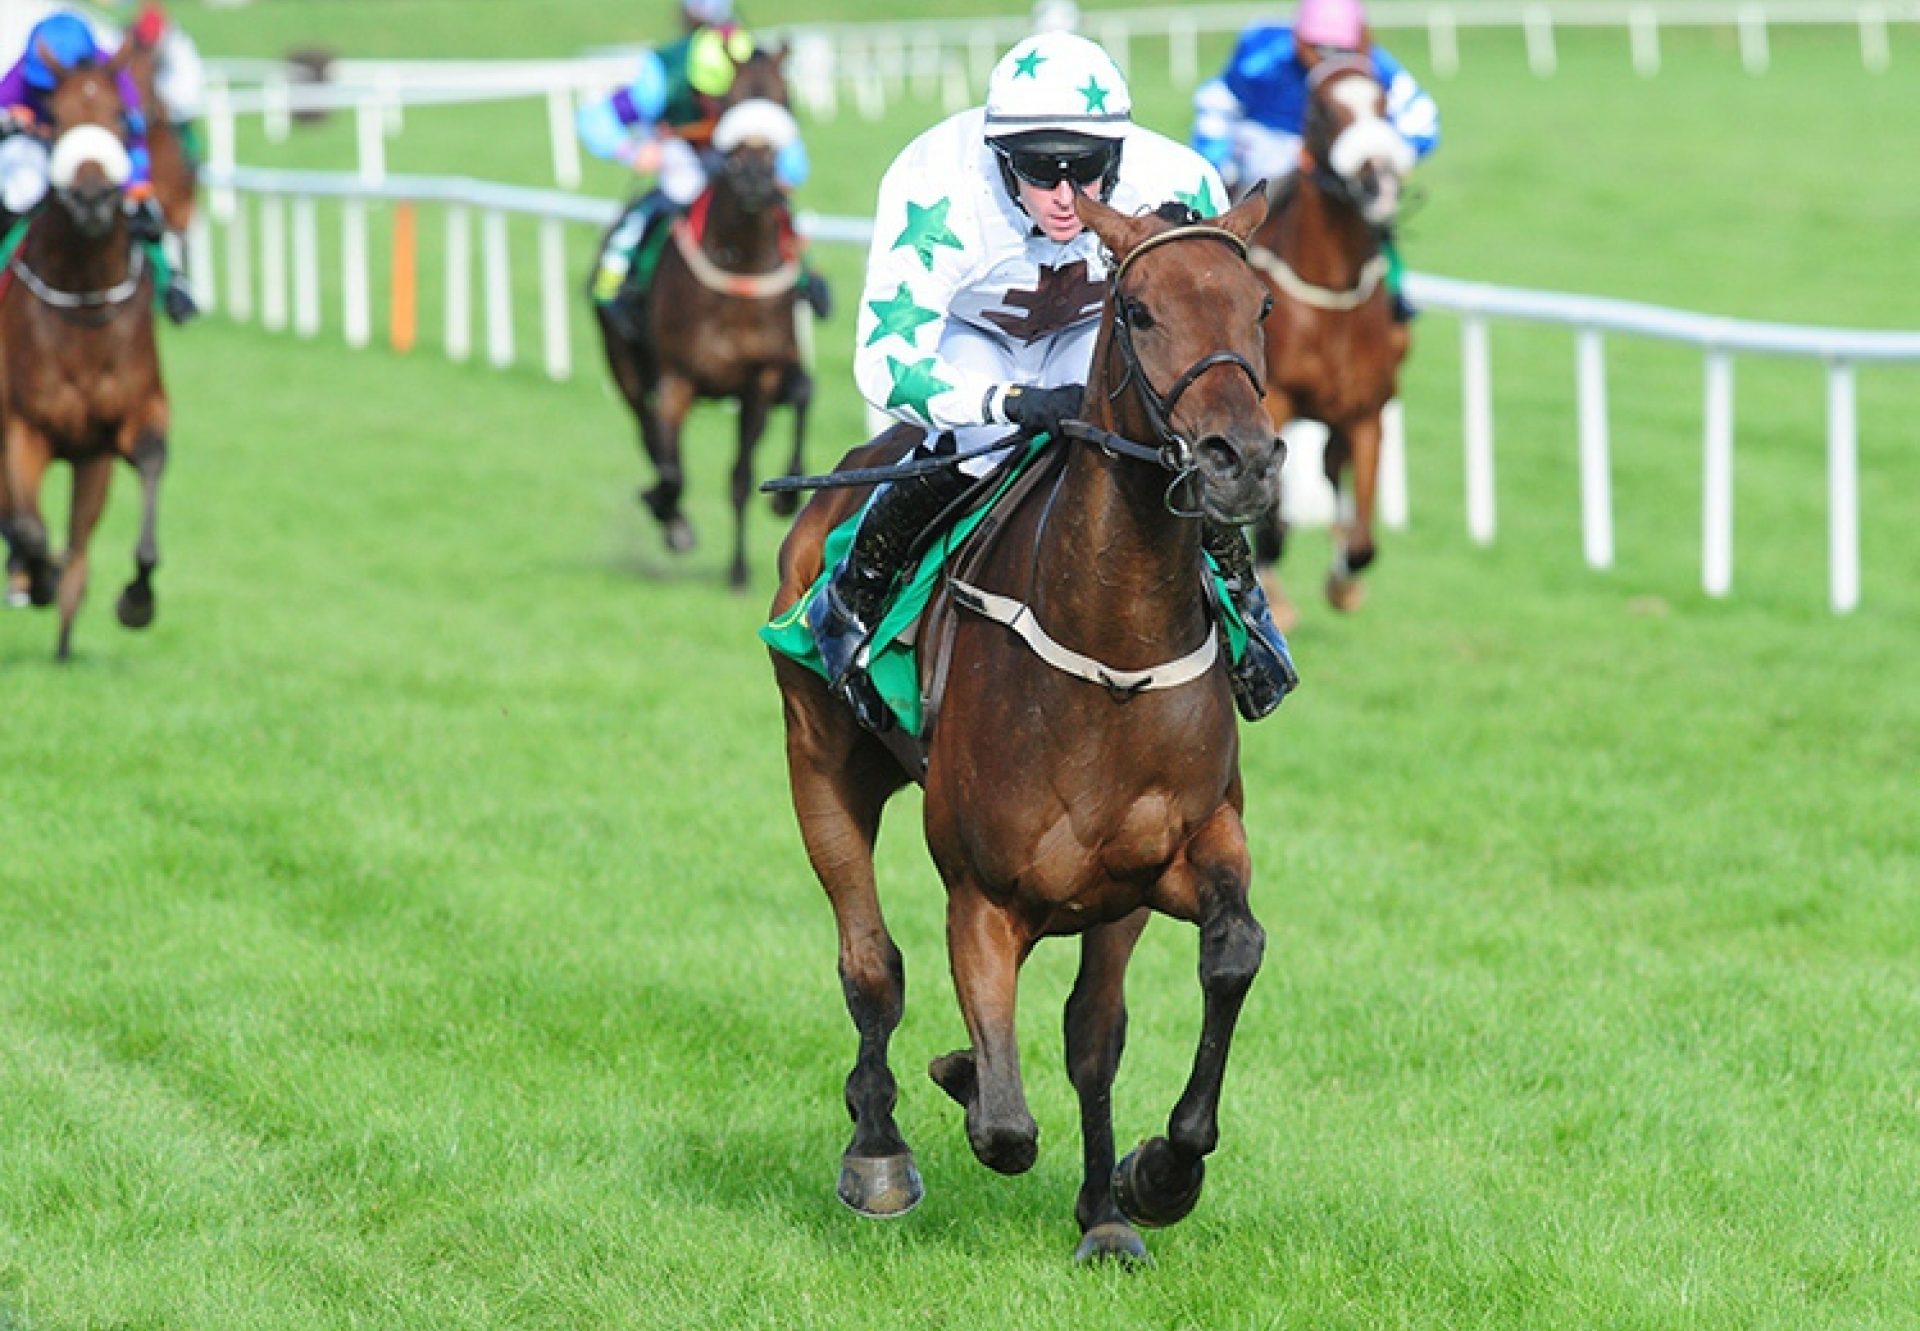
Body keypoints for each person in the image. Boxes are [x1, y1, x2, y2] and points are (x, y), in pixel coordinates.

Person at [805, 30, 1298, 730]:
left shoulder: (1179, 180)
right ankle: (856, 594)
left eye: (1088, 168)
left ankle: (1246, 608)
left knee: (1165, 447)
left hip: (1092, 332)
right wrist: (1004, 400)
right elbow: (883, 365)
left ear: (1117, 152)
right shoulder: (934, 185)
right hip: (970, 338)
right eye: (1039, 172)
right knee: (977, 447)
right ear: (1001, 158)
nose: (1065, 196)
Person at [578, 16, 826, 338]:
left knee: (776, 209)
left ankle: (807, 276)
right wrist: (632, 150)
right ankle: (614, 283)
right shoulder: (666, 75)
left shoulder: (758, 77)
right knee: (656, 206)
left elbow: (791, 155)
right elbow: (595, 118)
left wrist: (784, 170)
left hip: (739, 176)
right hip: (684, 166)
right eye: (707, 98)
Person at [1190, 0, 1436, 319]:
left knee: (1375, 206)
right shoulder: (1263, 52)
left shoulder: (1376, 65)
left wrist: (1392, 154)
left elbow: (1422, 119)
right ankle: (1214, 291)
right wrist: (1217, 162)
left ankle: (1394, 290)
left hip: (1334, 160)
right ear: (1300, 39)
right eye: (1320, 48)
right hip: (1266, 154)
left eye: (1343, 50)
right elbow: (1216, 103)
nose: (1331, 59)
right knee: (1238, 213)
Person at [0, 10, 196, 322]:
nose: (48, 94)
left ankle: (169, 281)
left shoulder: (113, 73)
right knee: (20, 193)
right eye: (44, 90)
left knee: (143, 207)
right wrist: (13, 120)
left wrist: (138, 180)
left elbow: (135, 133)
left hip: (95, 153)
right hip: (40, 148)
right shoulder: (26, 69)